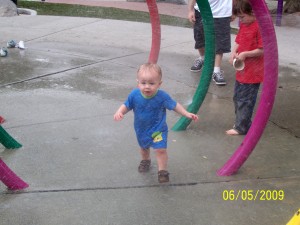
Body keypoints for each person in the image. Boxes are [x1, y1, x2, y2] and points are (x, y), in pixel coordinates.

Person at [114, 63, 198, 183]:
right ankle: (146, 160)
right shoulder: (134, 95)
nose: (147, 87)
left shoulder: (162, 97)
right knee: (144, 148)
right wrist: (120, 112)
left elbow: (174, 105)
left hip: (158, 130)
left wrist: (186, 113)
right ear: (138, 82)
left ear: (159, 84)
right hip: (141, 129)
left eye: (152, 83)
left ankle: (162, 171)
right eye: (143, 83)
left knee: (160, 150)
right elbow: (127, 105)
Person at [226, 0, 264, 135]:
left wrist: (245, 54)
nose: (240, 20)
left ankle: (241, 127)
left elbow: (263, 49)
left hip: (253, 72)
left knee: (245, 100)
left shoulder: (259, 27)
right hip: (242, 70)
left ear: (253, 13)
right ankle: (241, 121)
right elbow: (238, 40)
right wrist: (233, 54)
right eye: (239, 17)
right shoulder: (244, 24)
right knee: (237, 97)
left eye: (242, 17)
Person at [188, 0, 232, 86]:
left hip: (222, 13)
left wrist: (233, 10)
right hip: (203, 11)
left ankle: (216, 70)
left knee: (220, 43)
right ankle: (203, 58)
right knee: (199, 39)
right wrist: (190, 9)